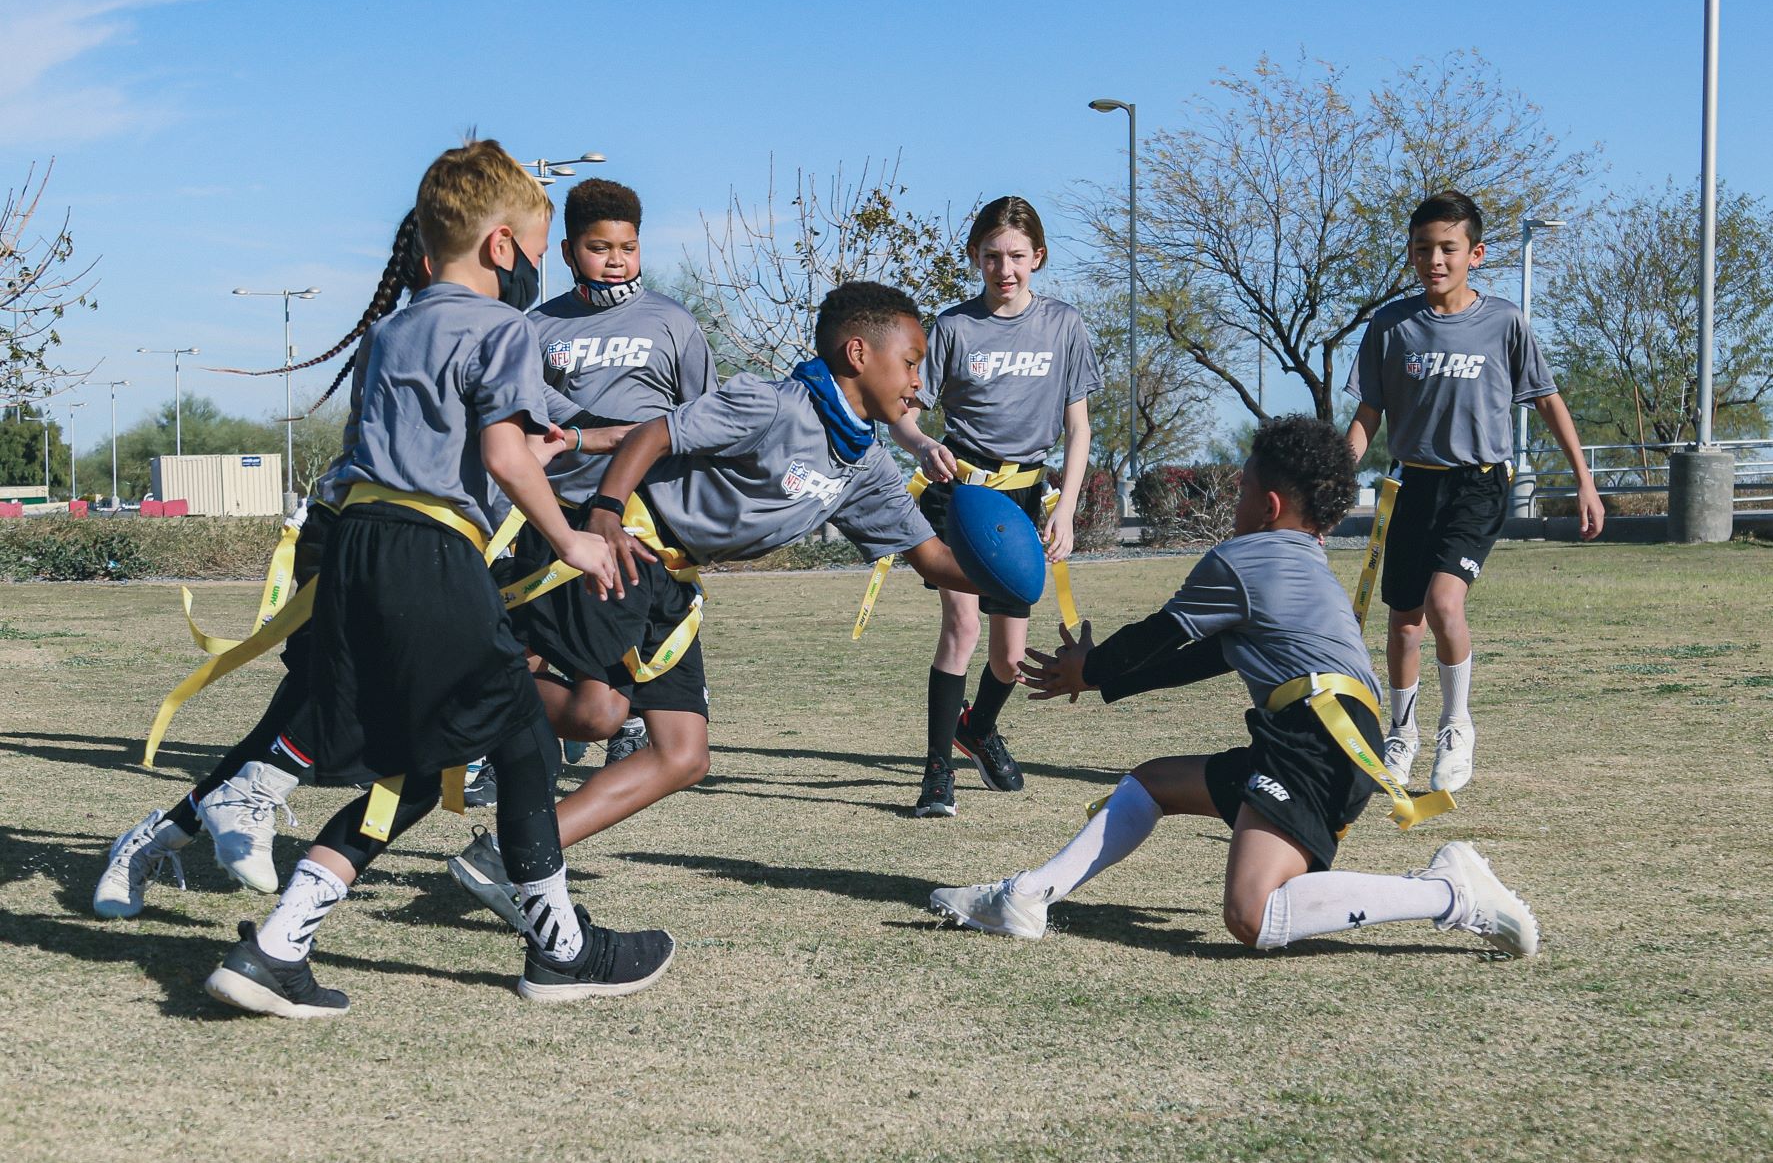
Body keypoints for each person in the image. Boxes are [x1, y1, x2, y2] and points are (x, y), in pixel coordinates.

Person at [201, 139, 672, 1018]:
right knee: (525, 739)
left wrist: (516, 453)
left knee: (421, 761)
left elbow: (416, 451)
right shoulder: (503, 327)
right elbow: (497, 456)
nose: (538, 265)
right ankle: (562, 951)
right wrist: (570, 536)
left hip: (357, 549)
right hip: (429, 555)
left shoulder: (394, 327)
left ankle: (277, 944)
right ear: (503, 247)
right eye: (537, 248)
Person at [448, 281, 992, 928]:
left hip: (672, 582)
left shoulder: (865, 466)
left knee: (682, 754)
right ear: (857, 353)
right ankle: (455, 683)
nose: (919, 384)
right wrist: (605, 512)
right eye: (911, 361)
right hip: (626, 545)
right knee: (598, 715)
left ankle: (507, 859)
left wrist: (1017, 578)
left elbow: (932, 559)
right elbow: (651, 435)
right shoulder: (771, 404)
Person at [931, 415, 1539, 959]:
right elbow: (1206, 657)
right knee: (1153, 783)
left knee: (1252, 915)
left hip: (1320, 736)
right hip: (1327, 730)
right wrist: (1099, 684)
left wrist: (1088, 670)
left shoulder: (1241, 559)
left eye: (1243, 487)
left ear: (1269, 504)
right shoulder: (1302, 558)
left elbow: (1159, 636)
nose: (1237, 497)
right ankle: (1029, 897)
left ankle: (1449, 894)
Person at [93, 211, 427, 918]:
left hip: (434, 553)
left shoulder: (487, 330)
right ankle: (538, 903)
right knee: (331, 718)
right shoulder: (408, 336)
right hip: (360, 543)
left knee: (317, 730)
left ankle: (164, 838)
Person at [1345, 190, 1604, 793]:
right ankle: (1401, 734)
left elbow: (1547, 400)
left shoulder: (1505, 321)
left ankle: (1456, 727)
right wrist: (1334, 475)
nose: (1434, 260)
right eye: (1422, 249)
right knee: (1404, 622)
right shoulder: (1391, 327)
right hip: (1411, 486)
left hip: (1479, 486)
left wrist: (1585, 483)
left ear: (1475, 254)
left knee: (1444, 604)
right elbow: (1368, 414)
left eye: (1447, 248)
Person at [886, 196, 1100, 818]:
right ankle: (936, 777)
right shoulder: (951, 328)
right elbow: (904, 414)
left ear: (1038, 257)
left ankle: (977, 729)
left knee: (1009, 658)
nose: (1004, 269)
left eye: (1015, 256)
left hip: (1026, 498)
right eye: (991, 256)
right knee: (963, 628)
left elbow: (1079, 428)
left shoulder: (1064, 325)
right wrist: (924, 445)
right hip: (963, 493)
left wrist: (1064, 509)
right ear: (975, 258)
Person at [505, 177, 719, 780]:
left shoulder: (673, 323)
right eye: (600, 248)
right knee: (535, 655)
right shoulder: (535, 328)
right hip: (558, 520)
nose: (617, 260)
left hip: (644, 522)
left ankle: (623, 724)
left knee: (612, 693)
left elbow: (702, 420)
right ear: (570, 250)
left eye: (629, 246)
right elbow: (520, 429)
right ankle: (502, 744)